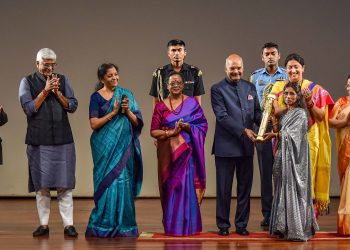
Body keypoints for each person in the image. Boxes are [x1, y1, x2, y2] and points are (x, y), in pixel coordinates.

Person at [19, 48, 78, 237]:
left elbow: (73, 105)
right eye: (46, 64)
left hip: (63, 138)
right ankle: (43, 225)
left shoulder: (63, 79)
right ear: (37, 64)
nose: (49, 68)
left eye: (52, 64)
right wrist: (45, 91)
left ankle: (68, 225)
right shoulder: (27, 82)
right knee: (42, 185)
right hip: (39, 140)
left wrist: (57, 92)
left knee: (65, 184)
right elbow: (28, 108)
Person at [270, 53, 334, 216]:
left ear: (303, 68)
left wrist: (310, 102)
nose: (293, 70)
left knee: (306, 179)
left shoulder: (315, 90)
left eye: (296, 67)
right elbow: (275, 113)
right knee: (287, 180)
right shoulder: (279, 88)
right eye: (289, 67)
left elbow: (321, 117)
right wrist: (291, 108)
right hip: (286, 141)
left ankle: (306, 220)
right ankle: (287, 219)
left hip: (308, 141)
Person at [85, 63, 143, 237]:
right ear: (102, 78)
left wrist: (126, 112)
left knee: (123, 182)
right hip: (104, 149)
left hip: (124, 149)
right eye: (110, 75)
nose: (115, 78)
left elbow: (137, 122)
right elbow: (93, 124)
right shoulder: (96, 97)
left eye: (116, 74)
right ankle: (103, 225)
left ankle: (125, 225)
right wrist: (113, 113)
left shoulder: (127, 95)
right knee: (107, 183)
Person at [150, 71, 207, 236]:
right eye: (172, 83)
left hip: (186, 153)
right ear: (167, 86)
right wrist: (171, 133)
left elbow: (203, 125)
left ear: (183, 86)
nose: (175, 85)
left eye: (178, 83)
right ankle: (172, 227)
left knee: (185, 187)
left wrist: (189, 127)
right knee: (171, 187)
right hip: (168, 154)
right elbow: (153, 131)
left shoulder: (192, 103)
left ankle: (189, 226)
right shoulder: (160, 106)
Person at [211, 54, 262, 236]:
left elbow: (256, 112)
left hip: (246, 147)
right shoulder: (217, 89)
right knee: (224, 190)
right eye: (232, 68)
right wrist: (244, 130)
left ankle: (241, 225)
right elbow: (222, 116)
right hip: (225, 148)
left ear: (243, 67)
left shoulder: (250, 87)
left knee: (244, 189)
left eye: (239, 68)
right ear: (226, 69)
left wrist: (266, 121)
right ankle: (223, 226)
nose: (236, 71)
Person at [269, 81, 319, 241]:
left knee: (292, 190)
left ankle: (296, 229)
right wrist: (274, 123)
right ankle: (282, 226)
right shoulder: (285, 113)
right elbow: (280, 131)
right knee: (281, 189)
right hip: (282, 157)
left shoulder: (301, 113)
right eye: (286, 93)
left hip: (295, 161)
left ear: (298, 97)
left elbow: (293, 136)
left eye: (292, 94)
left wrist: (275, 135)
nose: (288, 97)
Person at [249, 42, 288, 227]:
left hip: (282, 129)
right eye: (267, 54)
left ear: (279, 55)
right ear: (262, 57)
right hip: (262, 130)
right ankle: (268, 213)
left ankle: (284, 212)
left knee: (283, 173)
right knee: (265, 174)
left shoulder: (287, 75)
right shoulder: (255, 77)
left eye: (273, 53)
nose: (270, 56)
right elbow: (251, 105)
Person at [149, 39, 205, 109]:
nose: (177, 53)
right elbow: (156, 101)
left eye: (179, 50)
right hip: (166, 117)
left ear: (185, 53)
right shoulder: (159, 73)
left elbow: (197, 102)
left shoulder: (194, 72)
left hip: (188, 117)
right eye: (173, 50)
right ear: (168, 53)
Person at [329, 75, 350, 236]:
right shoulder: (342, 103)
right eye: (348, 85)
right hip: (346, 152)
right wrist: (345, 122)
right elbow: (330, 122)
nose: (349, 88)